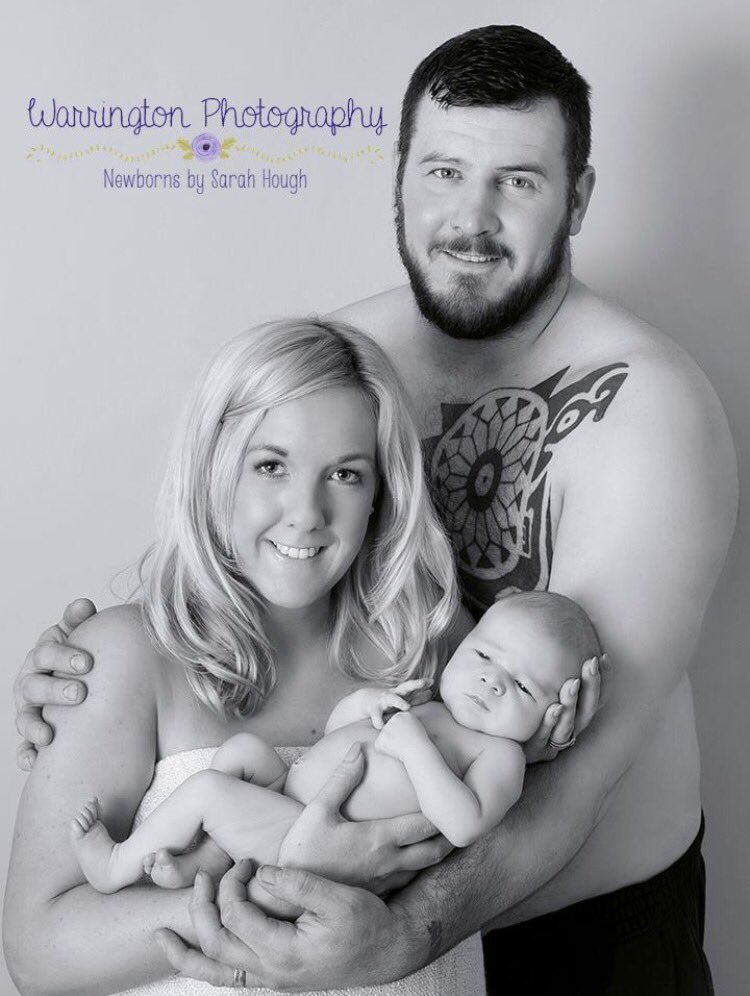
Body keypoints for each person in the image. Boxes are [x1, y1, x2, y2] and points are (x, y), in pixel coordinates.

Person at [12, 24, 737, 996]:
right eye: (443, 172)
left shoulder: (649, 413)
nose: (471, 217)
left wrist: (401, 932)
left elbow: (578, 775)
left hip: (586, 941)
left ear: (578, 196)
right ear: (398, 180)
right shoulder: (339, 360)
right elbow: (220, 590)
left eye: (518, 180)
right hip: (351, 900)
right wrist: (84, 683)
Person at [5, 317, 501, 995]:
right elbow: (39, 956)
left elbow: (513, 834)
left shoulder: (435, 644)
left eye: (346, 474)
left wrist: (552, 727)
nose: (307, 512)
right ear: (216, 469)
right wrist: (286, 885)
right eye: (271, 465)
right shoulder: (124, 657)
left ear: (380, 494)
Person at [70, 592, 601, 897]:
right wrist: (366, 704)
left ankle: (115, 865)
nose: (493, 682)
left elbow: (465, 823)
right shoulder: (430, 702)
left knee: (209, 789)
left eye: (523, 686)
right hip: (290, 795)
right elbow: (335, 736)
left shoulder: (502, 754)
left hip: (316, 834)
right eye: (484, 656)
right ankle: (205, 861)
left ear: (554, 714)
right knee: (243, 752)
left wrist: (415, 747)